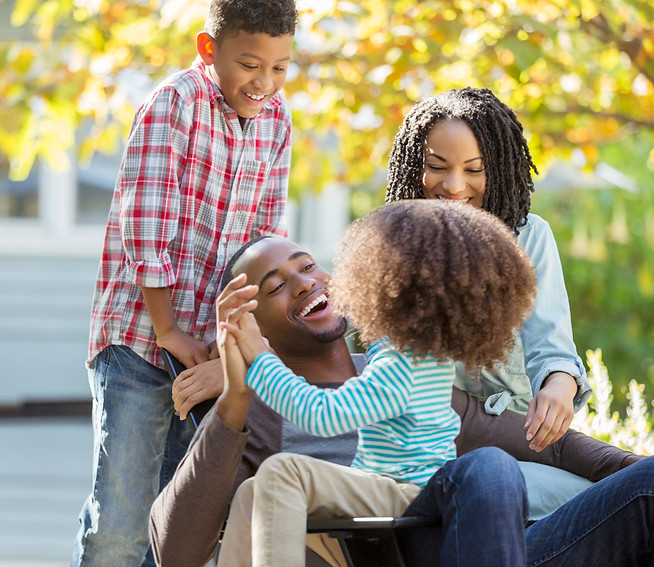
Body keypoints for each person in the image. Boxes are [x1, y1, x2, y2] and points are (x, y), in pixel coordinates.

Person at [149, 234, 646, 567]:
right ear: (253, 326)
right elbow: (176, 550)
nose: (303, 282)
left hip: (486, 550)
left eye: (308, 267)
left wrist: (630, 462)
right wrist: (235, 397)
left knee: (497, 468)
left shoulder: (397, 373)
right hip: (388, 553)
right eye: (276, 285)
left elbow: (547, 444)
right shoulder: (255, 412)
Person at [72, 1, 298, 565]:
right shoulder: (175, 104)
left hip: (205, 359)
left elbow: (265, 247)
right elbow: (145, 225)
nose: (265, 82)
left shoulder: (277, 122)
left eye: (279, 68)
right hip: (140, 343)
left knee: (175, 530)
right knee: (120, 526)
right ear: (208, 49)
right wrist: (167, 326)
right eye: (250, 64)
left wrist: (233, 357)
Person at [216, 199, 537, 566]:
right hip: (388, 489)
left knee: (281, 471)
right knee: (253, 493)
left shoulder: (405, 362)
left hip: (406, 496)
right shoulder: (412, 352)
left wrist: (259, 358)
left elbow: (322, 415)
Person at [386, 87, 590, 454]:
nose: (453, 186)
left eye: (474, 170)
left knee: (614, 483)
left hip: (517, 433)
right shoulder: (394, 242)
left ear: (497, 169)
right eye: (436, 167)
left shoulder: (529, 237)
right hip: (425, 443)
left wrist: (560, 383)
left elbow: (552, 349)